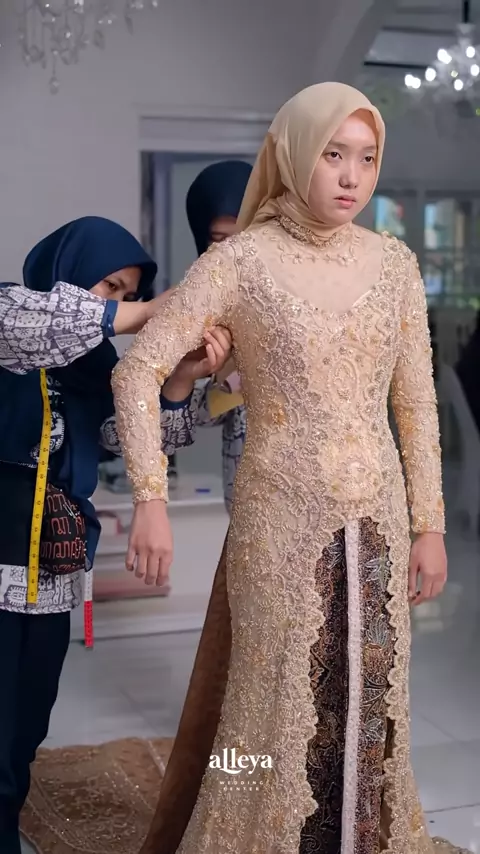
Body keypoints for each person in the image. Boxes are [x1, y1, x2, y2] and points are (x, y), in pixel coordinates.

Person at [112, 84, 461, 854]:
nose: (351, 176)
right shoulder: (241, 261)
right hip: (277, 526)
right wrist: (150, 497)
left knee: (374, 699)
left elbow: (415, 404)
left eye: (366, 158)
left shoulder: (395, 265)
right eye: (333, 154)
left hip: (379, 519)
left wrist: (430, 526)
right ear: (295, 154)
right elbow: (137, 371)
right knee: (268, 711)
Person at [0, 216, 230, 854]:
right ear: (68, 272)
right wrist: (157, 311)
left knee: (27, 722)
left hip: (51, 567)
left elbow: (132, 444)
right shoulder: (12, 313)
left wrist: (178, 378)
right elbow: (41, 323)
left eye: (131, 293)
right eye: (111, 286)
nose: (122, 302)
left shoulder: (98, 368)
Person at [162, 160, 251, 512]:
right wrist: (191, 376)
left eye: (246, 236)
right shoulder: (207, 311)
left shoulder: (315, 298)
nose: (233, 252)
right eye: (219, 240)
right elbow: (201, 416)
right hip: (249, 513)